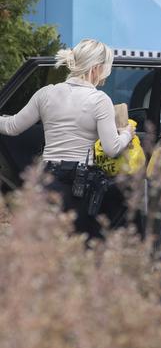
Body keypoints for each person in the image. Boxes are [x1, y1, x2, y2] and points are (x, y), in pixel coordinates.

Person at [0, 39, 134, 237]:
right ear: (97, 68)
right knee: (78, 243)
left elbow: (11, 127)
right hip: (79, 185)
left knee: (47, 243)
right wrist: (126, 134)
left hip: (45, 179)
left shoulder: (46, 94)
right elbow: (111, 148)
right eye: (107, 67)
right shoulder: (99, 100)